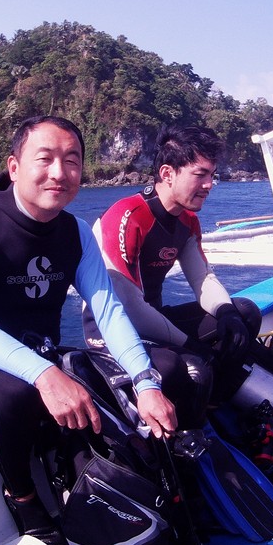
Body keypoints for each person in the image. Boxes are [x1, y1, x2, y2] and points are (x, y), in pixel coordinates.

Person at [0, 116, 177, 545]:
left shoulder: (75, 232)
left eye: (71, 160)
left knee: (165, 365)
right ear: (14, 167)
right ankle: (23, 497)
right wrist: (43, 374)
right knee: (15, 392)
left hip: (46, 356)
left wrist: (146, 382)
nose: (59, 172)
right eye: (45, 159)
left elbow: (107, 310)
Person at [83, 125, 261, 405]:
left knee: (245, 314)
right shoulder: (127, 216)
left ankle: (218, 401)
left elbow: (202, 278)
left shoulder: (187, 220)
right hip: (113, 331)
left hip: (154, 318)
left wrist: (228, 314)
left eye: (212, 175)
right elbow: (129, 306)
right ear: (167, 173)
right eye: (200, 175)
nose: (209, 185)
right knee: (190, 367)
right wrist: (190, 346)